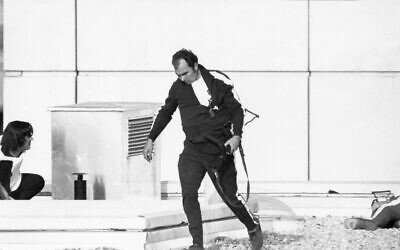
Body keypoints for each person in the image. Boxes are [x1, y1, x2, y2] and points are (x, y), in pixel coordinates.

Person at [143, 49, 263, 250]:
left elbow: (236, 110)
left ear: (195, 66)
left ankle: (252, 227)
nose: (182, 79)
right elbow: (166, 113)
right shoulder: (178, 88)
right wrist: (150, 138)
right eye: (178, 75)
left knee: (229, 196)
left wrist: (236, 136)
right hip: (192, 150)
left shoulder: (217, 85)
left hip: (218, 150)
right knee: (189, 194)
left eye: (185, 74)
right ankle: (197, 244)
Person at [0, 120, 45, 200]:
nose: (31, 139)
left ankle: (16, 203)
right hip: (3, 187)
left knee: (37, 181)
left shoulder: (18, 149)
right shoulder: (2, 155)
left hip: (14, 183)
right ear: (18, 137)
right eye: (28, 137)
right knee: (5, 165)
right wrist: (5, 197)